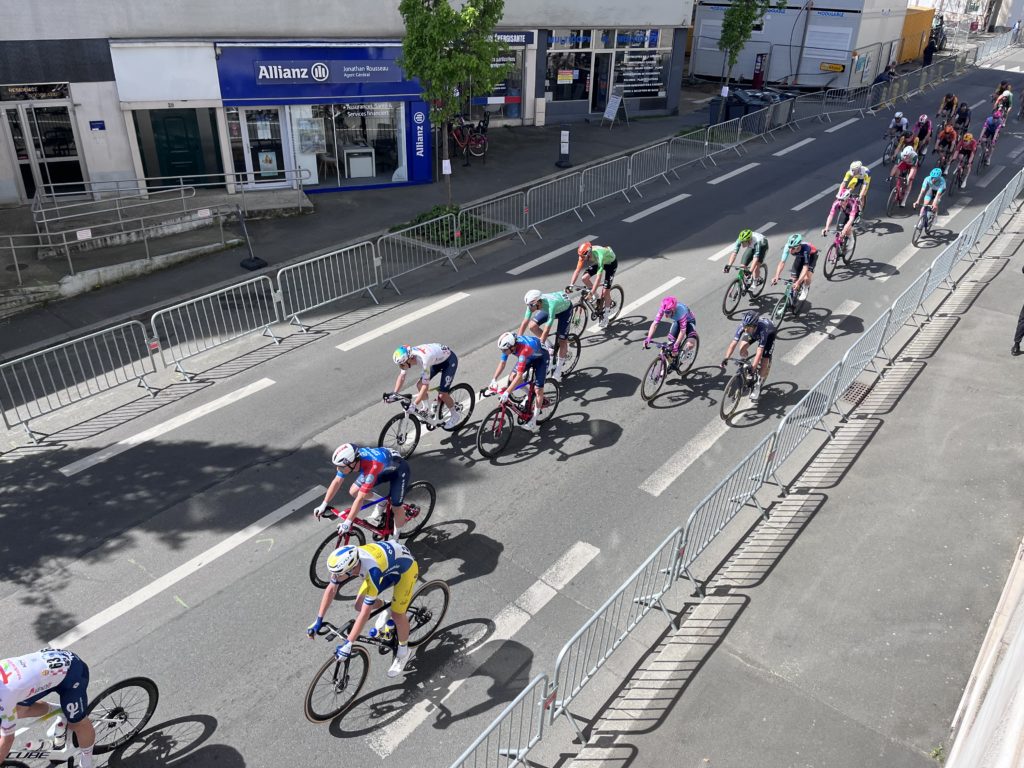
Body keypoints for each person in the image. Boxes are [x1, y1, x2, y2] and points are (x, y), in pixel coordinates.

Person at [307, 541, 419, 678]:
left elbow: (365, 613)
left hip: (405, 570)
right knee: (358, 605)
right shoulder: (352, 559)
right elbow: (331, 589)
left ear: (351, 569)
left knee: (397, 614)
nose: (335, 577)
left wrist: (349, 643)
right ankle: (386, 605)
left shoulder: (372, 571)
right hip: (388, 564)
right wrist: (318, 620)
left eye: (338, 574)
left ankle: (403, 651)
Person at [0, 649, 96, 768]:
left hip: (72, 673)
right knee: (18, 711)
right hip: (46, 673)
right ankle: (60, 711)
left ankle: (87, 759)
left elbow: (8, 739)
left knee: (77, 724)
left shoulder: (5, 696)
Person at [314, 444, 410, 539]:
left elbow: (360, 499)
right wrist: (323, 504)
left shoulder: (371, 467)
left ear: (352, 463)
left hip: (398, 471)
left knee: (396, 507)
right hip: (382, 469)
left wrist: (347, 523)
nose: (338, 469)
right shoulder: (352, 459)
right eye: (338, 466)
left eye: (341, 467)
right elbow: (337, 481)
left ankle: (396, 539)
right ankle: (383, 502)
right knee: (354, 491)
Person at [487, 332, 549, 432]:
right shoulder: (510, 346)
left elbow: (519, 377)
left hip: (541, 358)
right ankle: (529, 394)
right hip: (529, 356)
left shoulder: (523, 351)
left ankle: (533, 421)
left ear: (512, 347)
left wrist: (507, 393)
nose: (503, 352)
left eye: (504, 350)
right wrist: (494, 379)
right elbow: (502, 363)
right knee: (512, 378)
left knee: (538, 390)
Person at [390, 344, 461, 428]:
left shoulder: (424, 360)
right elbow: (402, 376)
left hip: (449, 361)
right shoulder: (408, 356)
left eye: (402, 364)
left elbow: (425, 386)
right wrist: (394, 393)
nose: (401, 366)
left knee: (442, 394)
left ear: (409, 359)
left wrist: (415, 404)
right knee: (419, 385)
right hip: (437, 360)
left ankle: (455, 415)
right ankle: (426, 409)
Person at [720, 311, 777, 403]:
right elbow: (733, 343)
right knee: (742, 349)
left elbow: (759, 352)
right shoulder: (744, 326)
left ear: (754, 326)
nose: (745, 329)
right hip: (753, 333)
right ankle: (748, 364)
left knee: (764, 359)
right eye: (745, 326)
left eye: (748, 327)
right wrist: (726, 358)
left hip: (769, 334)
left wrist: (753, 368)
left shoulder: (763, 330)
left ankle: (758, 385)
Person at [520, 289, 573, 381]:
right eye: (528, 305)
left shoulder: (551, 304)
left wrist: (540, 345)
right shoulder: (533, 304)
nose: (529, 308)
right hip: (550, 306)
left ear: (538, 302)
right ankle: (550, 347)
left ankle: (559, 368)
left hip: (564, 310)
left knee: (562, 340)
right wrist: (518, 338)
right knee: (532, 326)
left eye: (531, 305)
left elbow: (547, 329)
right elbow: (525, 322)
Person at [569, 241, 617, 329]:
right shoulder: (583, 255)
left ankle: (606, 316)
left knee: (605, 291)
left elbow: (598, 278)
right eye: (580, 256)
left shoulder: (599, 255)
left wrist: (591, 293)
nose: (581, 258)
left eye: (583, 256)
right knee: (584, 278)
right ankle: (597, 298)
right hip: (599, 262)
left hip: (610, 264)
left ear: (588, 253)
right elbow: (577, 271)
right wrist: (571, 285)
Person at [823, 160, 870, 240]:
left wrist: (860, 196)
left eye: (855, 171)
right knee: (849, 188)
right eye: (852, 170)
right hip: (856, 178)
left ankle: (860, 208)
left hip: (865, 179)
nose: (853, 172)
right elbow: (843, 183)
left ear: (859, 169)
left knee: (863, 194)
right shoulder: (849, 173)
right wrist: (839, 193)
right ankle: (847, 197)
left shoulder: (865, 173)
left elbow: (864, 186)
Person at [771, 234, 818, 301]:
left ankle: (805, 288)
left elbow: (805, 268)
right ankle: (793, 296)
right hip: (800, 256)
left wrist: (798, 282)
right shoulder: (787, 247)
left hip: (811, 256)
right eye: (790, 247)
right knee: (793, 278)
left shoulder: (805, 249)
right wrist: (776, 276)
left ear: (798, 246)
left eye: (793, 248)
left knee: (806, 277)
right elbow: (782, 262)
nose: (790, 250)